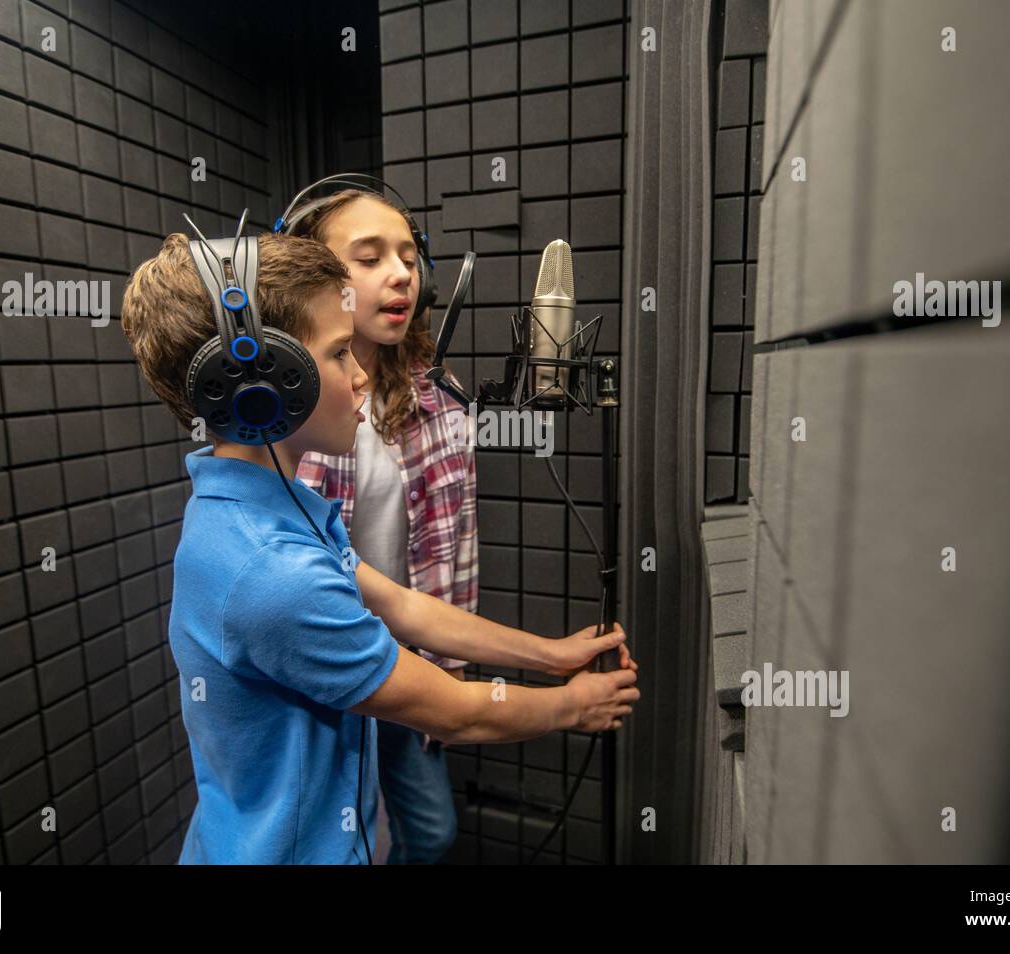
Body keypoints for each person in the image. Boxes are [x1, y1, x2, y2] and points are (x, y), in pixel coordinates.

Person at [120, 227, 639, 864]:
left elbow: (402, 607)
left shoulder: (266, 507)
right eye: (340, 353)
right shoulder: (274, 574)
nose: (362, 374)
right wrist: (573, 706)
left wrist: (551, 656)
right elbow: (455, 712)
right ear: (270, 382)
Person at [287, 185, 475, 864]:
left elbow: (458, 546)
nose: (400, 273)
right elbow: (298, 561)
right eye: (368, 259)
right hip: (333, 663)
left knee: (430, 833)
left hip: (408, 660)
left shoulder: (436, 395)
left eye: (406, 256)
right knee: (350, 842)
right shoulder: (294, 408)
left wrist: (446, 655)